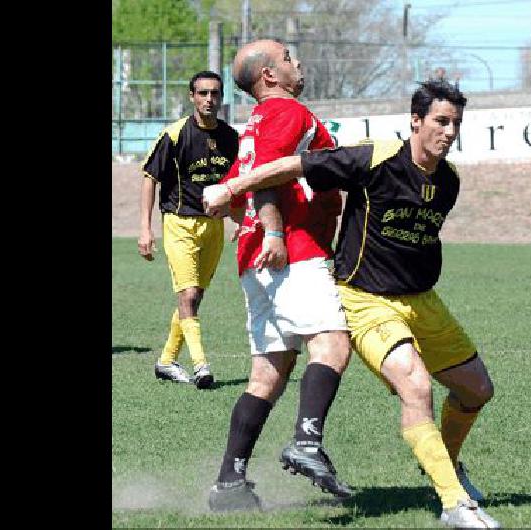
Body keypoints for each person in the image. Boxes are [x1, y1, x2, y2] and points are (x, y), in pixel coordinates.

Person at [203, 80, 502, 529]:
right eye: (441, 121)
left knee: (477, 389)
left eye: (456, 123)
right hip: (366, 300)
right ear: (416, 122)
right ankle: (454, 502)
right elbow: (293, 164)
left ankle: (443, 465)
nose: (449, 131)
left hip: (424, 302)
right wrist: (234, 190)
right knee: (416, 388)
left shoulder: (449, 181)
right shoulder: (375, 157)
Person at [206, 40, 354, 513]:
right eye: (289, 58)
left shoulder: (253, 127)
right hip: (288, 251)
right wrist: (274, 230)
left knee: (267, 373)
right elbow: (265, 176)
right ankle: (307, 443)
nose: (298, 64)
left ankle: (230, 483)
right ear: (270, 75)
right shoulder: (288, 112)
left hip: (256, 259)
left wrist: (257, 227)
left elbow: (234, 197)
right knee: (332, 342)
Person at [138, 71, 239, 390]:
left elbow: (236, 183)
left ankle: (166, 361)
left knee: (194, 299)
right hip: (179, 223)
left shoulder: (231, 137)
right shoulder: (175, 134)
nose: (209, 99)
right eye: (203, 93)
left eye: (215, 94)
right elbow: (150, 177)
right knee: (188, 294)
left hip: (214, 226)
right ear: (191, 96)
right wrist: (145, 228)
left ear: (222, 98)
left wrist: (237, 217)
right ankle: (201, 365)